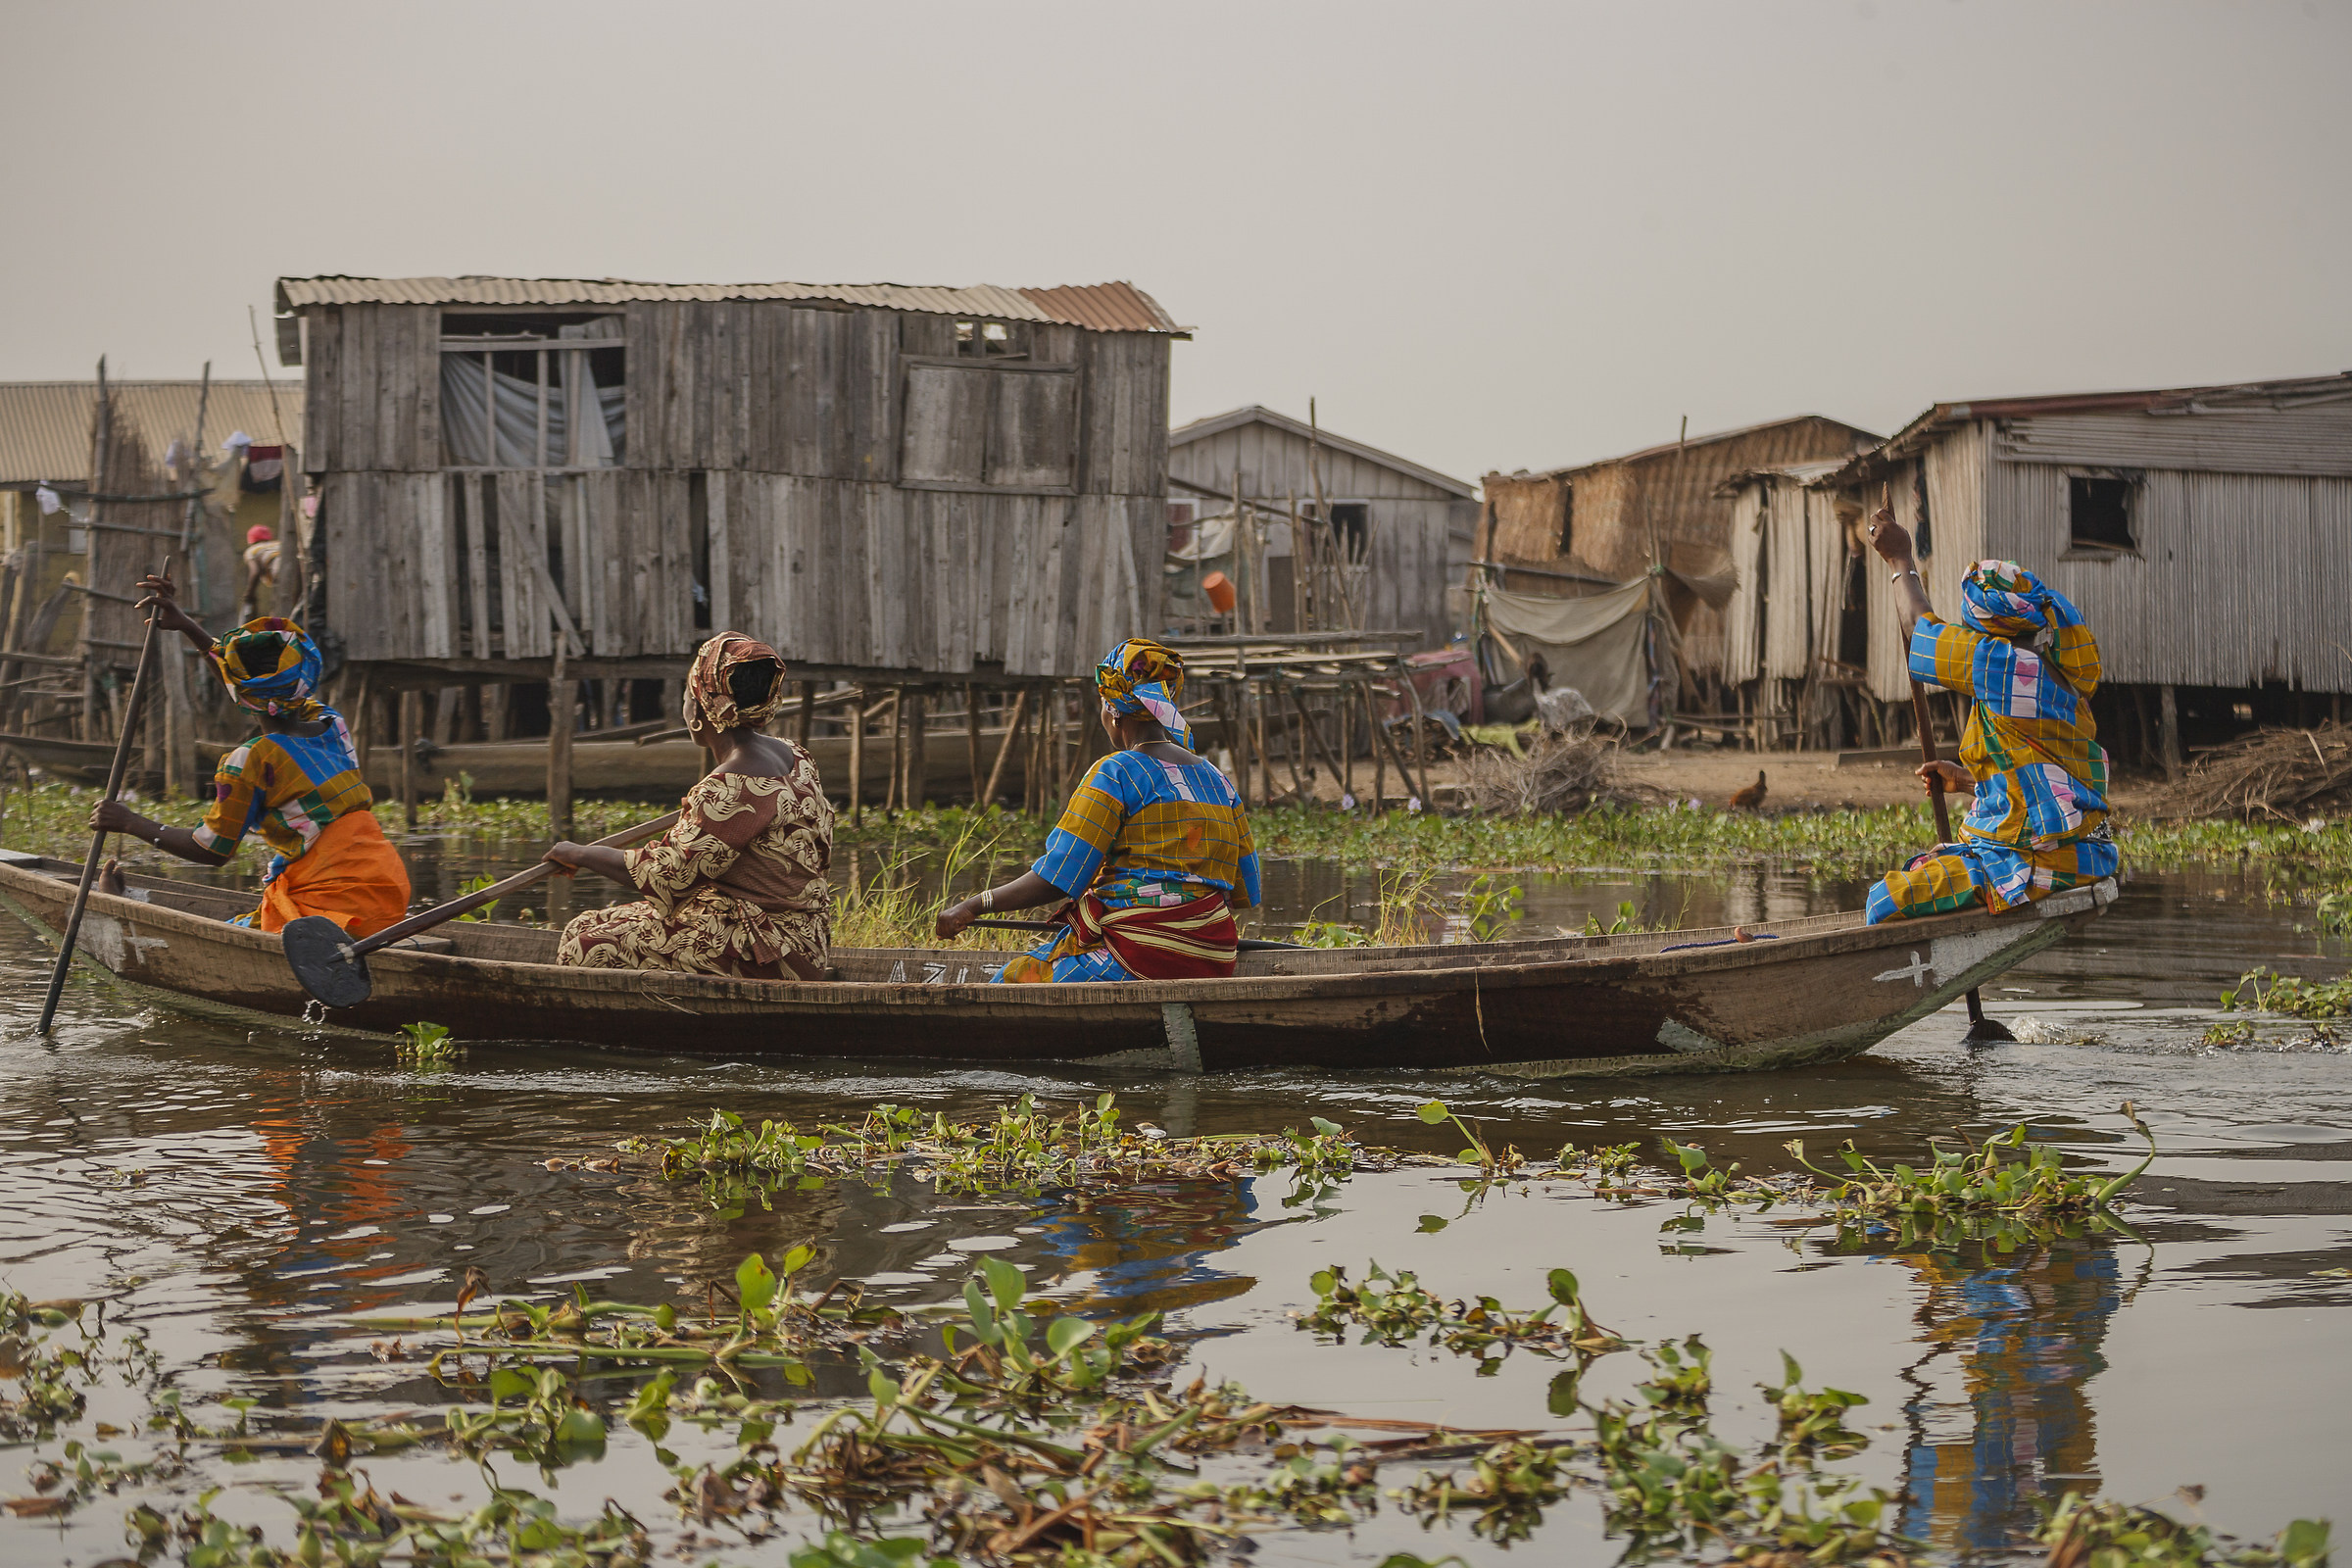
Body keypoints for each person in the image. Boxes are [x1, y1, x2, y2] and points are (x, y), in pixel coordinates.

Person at [88, 572, 412, 936]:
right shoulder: (329, 723)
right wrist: (187, 627)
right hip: (385, 897)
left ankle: (119, 909)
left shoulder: (252, 759)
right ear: (302, 680)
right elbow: (245, 686)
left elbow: (212, 851)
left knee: (244, 926)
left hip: (330, 917)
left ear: (241, 696)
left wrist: (131, 822)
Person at [935, 638, 1260, 981]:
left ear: (1113, 709)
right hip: (1215, 957)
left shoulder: (1118, 772)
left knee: (1013, 980)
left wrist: (974, 905)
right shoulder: (1217, 780)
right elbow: (1244, 889)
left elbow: (1058, 879)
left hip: (1141, 953)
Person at [1862, 510, 2118, 924]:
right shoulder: (2059, 673)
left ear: (1983, 628)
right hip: (2088, 851)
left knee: (1884, 900)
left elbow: (1919, 628)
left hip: (2042, 860)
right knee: (1925, 864)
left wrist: (1900, 560)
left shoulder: (2001, 664)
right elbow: (2048, 779)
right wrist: (1965, 780)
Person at [548, 633, 832, 980]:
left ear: (699, 709)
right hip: (803, 937)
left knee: (586, 945)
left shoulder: (731, 786)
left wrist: (579, 854)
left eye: (686, 696)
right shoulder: (796, 755)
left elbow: (666, 875)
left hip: (769, 948)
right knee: (588, 922)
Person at [240, 524, 280, 620]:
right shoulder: (278, 544)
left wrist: (249, 593)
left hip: (278, 570)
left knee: (278, 610)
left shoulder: (251, 550)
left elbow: (255, 572)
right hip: (296, 568)